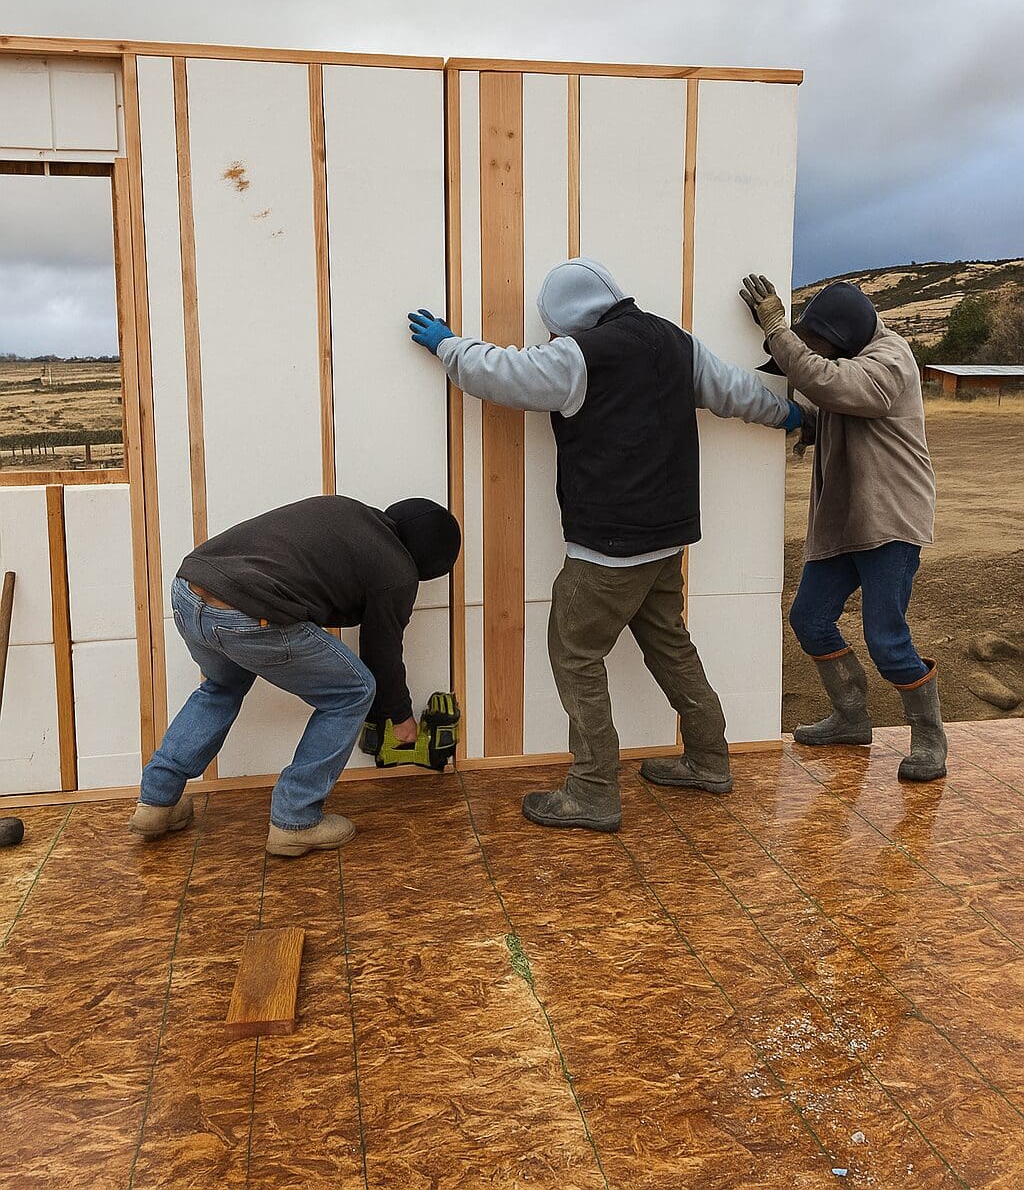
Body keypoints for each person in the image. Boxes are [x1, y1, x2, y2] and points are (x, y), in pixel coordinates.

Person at [409, 257, 804, 832]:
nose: (550, 338)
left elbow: (498, 373)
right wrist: (788, 413)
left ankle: (593, 789)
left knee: (574, 654)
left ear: (568, 317)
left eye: (552, 327)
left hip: (608, 551)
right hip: (667, 540)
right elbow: (735, 390)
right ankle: (709, 759)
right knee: (671, 646)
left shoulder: (578, 356)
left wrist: (448, 345)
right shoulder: (672, 341)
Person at [130, 495, 461, 855]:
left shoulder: (348, 512)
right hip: (248, 611)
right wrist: (399, 717)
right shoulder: (398, 570)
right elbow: (382, 652)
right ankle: (296, 819)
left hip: (188, 590)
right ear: (428, 565)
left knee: (221, 687)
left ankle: (157, 801)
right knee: (353, 690)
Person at [740, 273, 946, 782]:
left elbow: (838, 387)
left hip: (888, 520)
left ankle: (929, 737)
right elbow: (827, 398)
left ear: (843, 335)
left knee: (885, 637)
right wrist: (801, 422)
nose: (818, 356)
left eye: (820, 346)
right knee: (809, 618)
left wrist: (777, 329)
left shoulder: (890, 359)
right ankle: (852, 718)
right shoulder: (852, 358)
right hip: (844, 518)